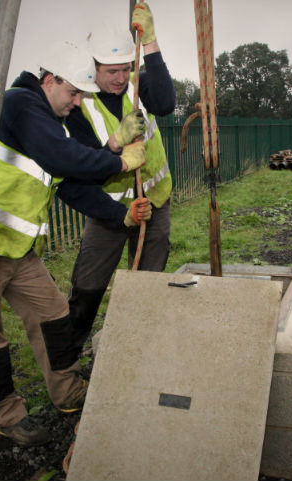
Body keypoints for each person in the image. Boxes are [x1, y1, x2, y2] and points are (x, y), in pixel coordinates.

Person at [0, 41, 151, 447]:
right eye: (73, 93)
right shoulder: (18, 103)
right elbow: (61, 157)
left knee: (54, 317)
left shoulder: (53, 121)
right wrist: (119, 160)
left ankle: (68, 394)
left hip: (17, 251)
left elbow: (71, 182)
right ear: (49, 80)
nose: (77, 102)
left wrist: (116, 210)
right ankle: (7, 416)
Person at [63, 2, 175, 356]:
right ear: (92, 68)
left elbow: (166, 102)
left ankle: (136, 346)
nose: (120, 78)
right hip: (110, 211)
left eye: (126, 69)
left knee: (146, 282)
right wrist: (114, 145)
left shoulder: (135, 85)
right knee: (89, 284)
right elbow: (81, 168)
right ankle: (70, 351)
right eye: (111, 71)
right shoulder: (77, 104)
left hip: (154, 201)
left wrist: (152, 43)